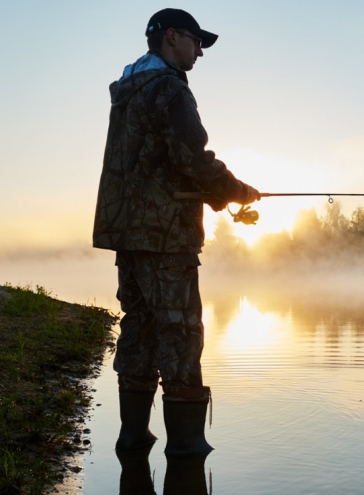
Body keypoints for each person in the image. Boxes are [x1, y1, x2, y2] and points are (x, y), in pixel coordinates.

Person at [93, 8, 259, 456]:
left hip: (128, 231)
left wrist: (218, 195)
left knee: (140, 327)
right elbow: (192, 158)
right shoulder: (168, 87)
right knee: (181, 331)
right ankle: (186, 450)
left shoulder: (129, 89)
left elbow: (155, 164)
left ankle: (133, 437)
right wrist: (237, 190)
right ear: (171, 37)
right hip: (166, 235)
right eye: (195, 40)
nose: (200, 50)